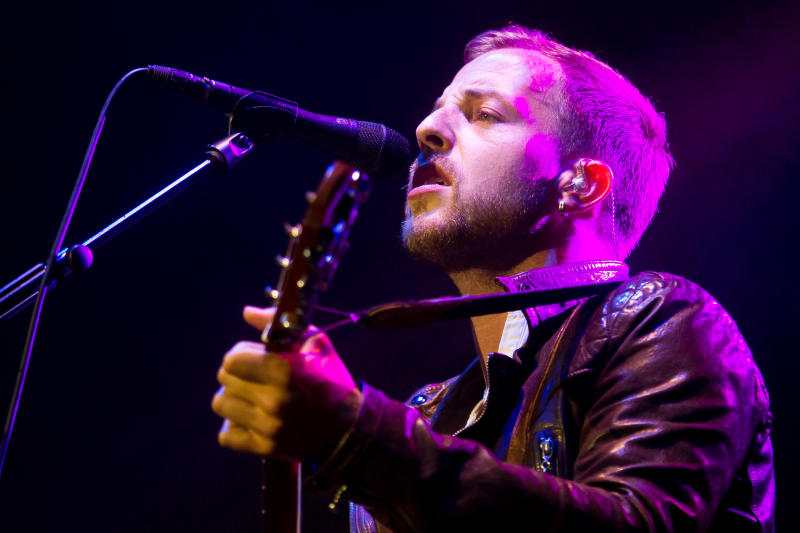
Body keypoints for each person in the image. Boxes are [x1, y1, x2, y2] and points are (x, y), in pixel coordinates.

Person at [211, 25, 775, 532]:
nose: (426, 129)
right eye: (438, 110)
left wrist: (361, 441)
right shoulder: (431, 414)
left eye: (484, 114)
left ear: (580, 185)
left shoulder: (664, 319)